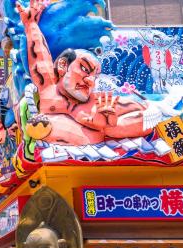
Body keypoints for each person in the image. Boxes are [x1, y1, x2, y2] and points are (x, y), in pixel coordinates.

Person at [17, 0, 152, 145]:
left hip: (92, 145)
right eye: (85, 69)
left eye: (94, 76)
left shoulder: (97, 102)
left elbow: (144, 110)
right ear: (63, 65)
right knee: (49, 124)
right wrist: (31, 25)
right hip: (53, 137)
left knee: (122, 125)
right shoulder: (48, 88)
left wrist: (111, 124)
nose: (90, 81)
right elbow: (39, 57)